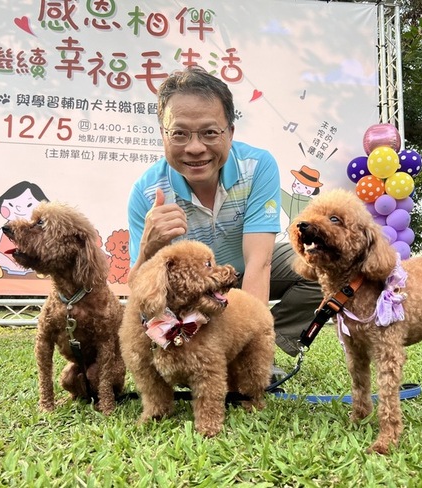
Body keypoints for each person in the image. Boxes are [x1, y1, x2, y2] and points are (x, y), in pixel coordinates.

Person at [127, 66, 322, 363]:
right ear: (163, 135)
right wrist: (148, 247)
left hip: (242, 274)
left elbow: (259, 261)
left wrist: (251, 350)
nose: (195, 148)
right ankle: (192, 349)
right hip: (191, 290)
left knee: (322, 267)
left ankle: (263, 341)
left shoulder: (257, 167)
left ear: (230, 133)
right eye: (179, 133)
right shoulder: (146, 193)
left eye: (209, 132)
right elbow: (138, 289)